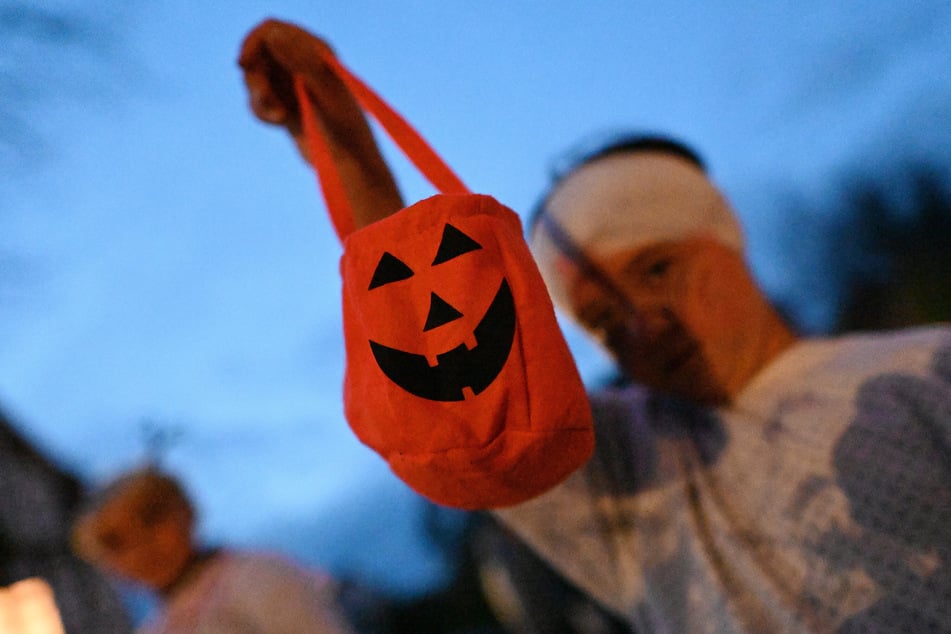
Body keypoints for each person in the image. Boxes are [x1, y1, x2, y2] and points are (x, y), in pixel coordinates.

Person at [237, 18, 951, 632]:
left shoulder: (925, 371)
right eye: (602, 320)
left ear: (719, 239)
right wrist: (339, 137)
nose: (640, 324)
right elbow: (424, 327)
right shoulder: (621, 463)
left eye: (655, 269)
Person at [72, 467, 357, 634]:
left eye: (152, 516)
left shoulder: (256, 577)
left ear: (186, 511)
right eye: (115, 542)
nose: (141, 544)